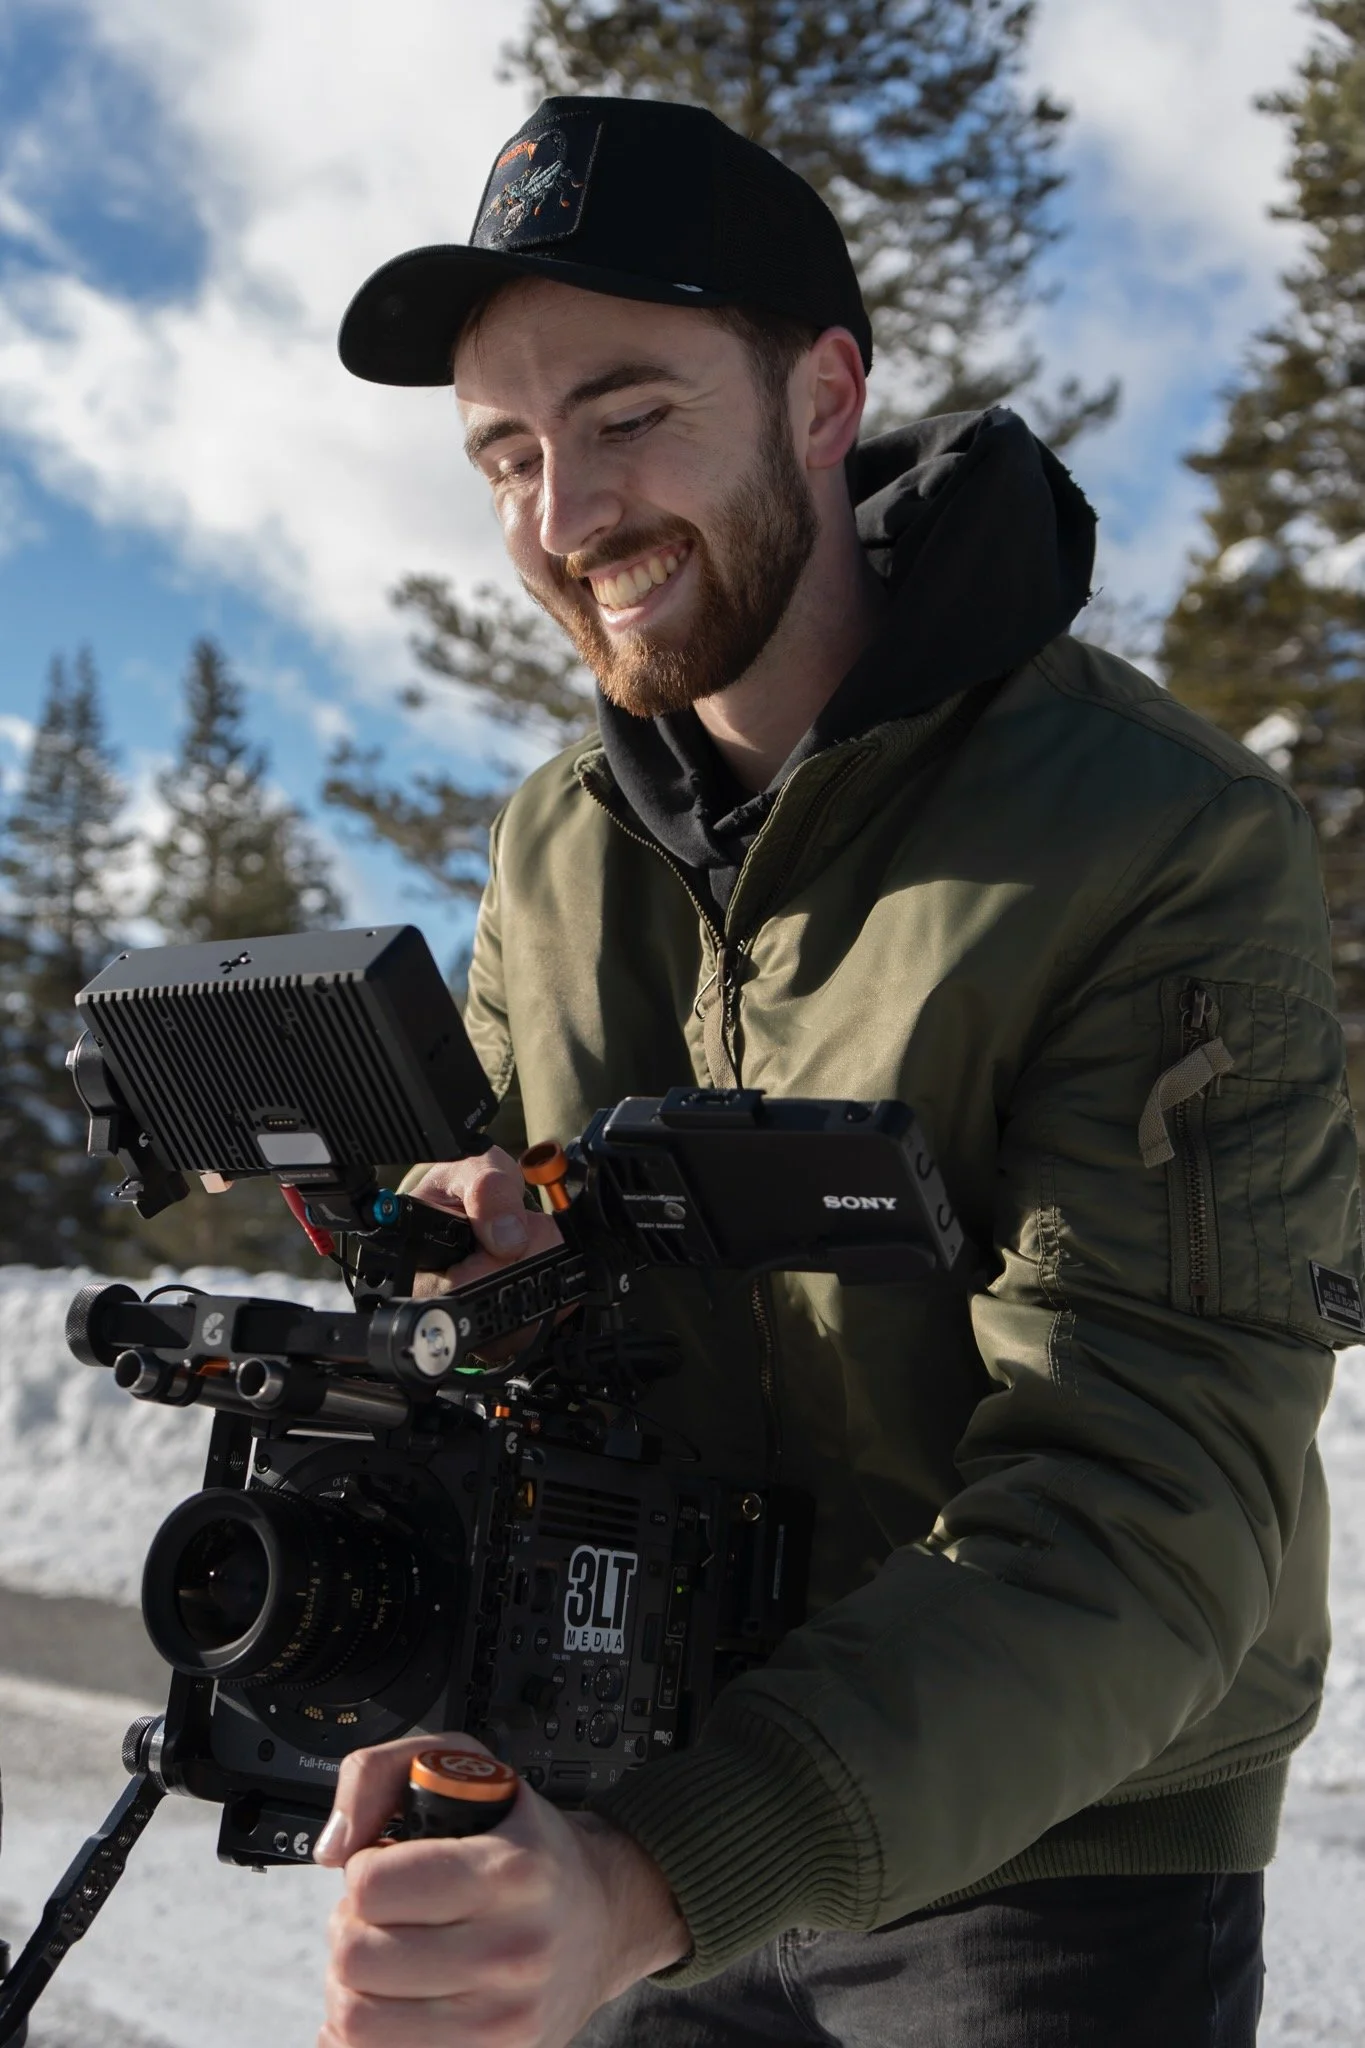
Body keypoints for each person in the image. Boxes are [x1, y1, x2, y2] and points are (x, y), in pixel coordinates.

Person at [313, 95, 1362, 2048]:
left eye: (628, 418)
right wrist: (482, 1300)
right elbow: (525, 1354)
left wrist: (657, 1877)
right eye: (508, 455)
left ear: (823, 389)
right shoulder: (555, 845)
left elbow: (1151, 1493)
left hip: (1043, 1865)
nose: (564, 517)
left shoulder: (1156, 832)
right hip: (638, 1792)